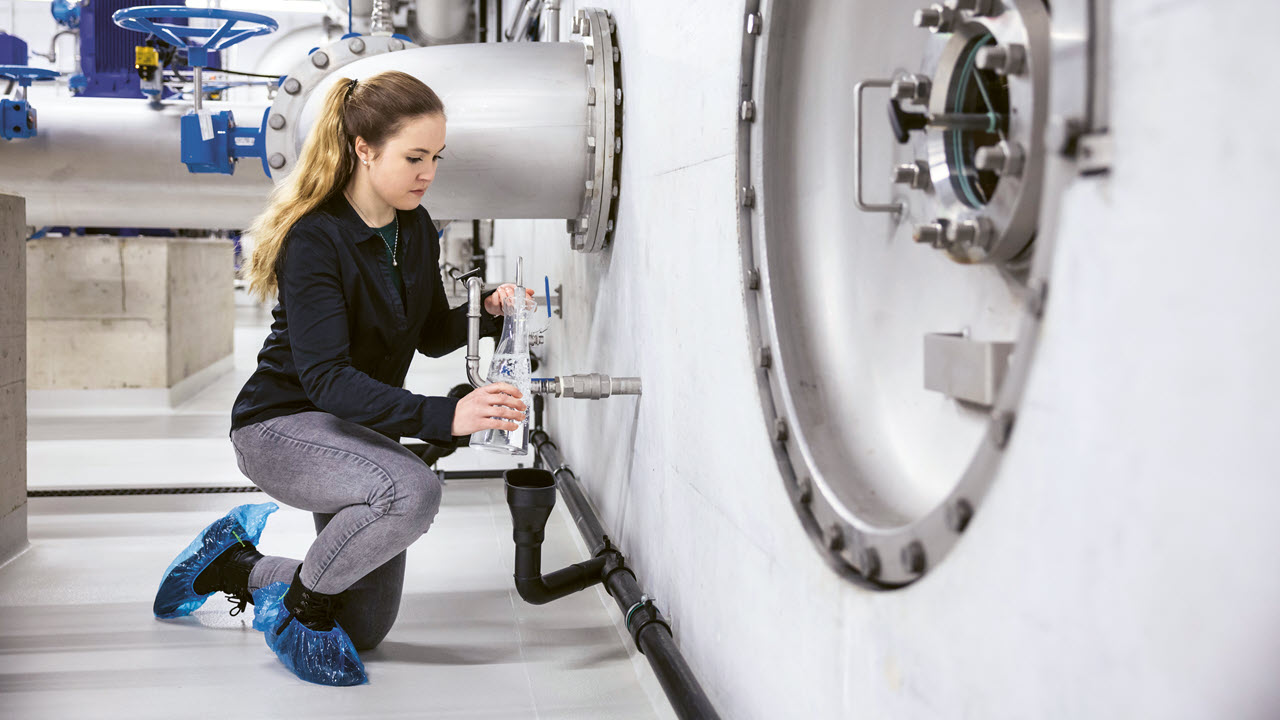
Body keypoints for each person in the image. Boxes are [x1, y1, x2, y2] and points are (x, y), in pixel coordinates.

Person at [151, 70, 533, 686]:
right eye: (414, 157)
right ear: (363, 148)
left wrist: (484, 309)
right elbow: (327, 380)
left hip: (349, 429)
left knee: (364, 627)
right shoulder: (315, 239)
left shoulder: (413, 224)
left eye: (435, 157)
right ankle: (300, 611)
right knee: (413, 492)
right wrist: (444, 416)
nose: (427, 172)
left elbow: (428, 328)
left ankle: (233, 568)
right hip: (281, 427)